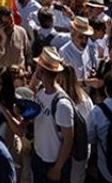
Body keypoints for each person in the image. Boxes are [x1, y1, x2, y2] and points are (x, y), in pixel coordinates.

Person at [29, 47, 73, 183]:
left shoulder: (62, 104)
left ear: (41, 71)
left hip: (52, 164)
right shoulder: (41, 92)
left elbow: (68, 140)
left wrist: (57, 168)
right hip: (39, 158)